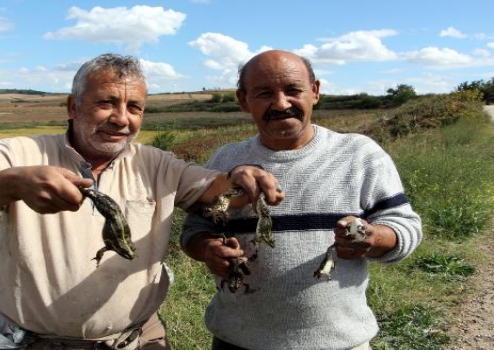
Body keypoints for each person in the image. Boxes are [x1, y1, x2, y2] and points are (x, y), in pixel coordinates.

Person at [0, 53, 283, 350]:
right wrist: (13, 182)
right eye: (106, 102)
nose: (121, 118)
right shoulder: (20, 152)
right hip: (35, 344)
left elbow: (216, 192)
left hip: (138, 340)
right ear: (72, 106)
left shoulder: (156, 164)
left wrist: (241, 175)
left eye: (134, 107)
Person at [180, 50, 423, 350]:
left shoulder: (359, 154)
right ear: (243, 101)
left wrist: (373, 237)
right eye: (264, 93)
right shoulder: (225, 160)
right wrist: (208, 249)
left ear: (315, 91)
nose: (281, 104)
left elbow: (404, 226)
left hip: (339, 343)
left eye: (293, 90)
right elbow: (195, 228)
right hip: (237, 341)